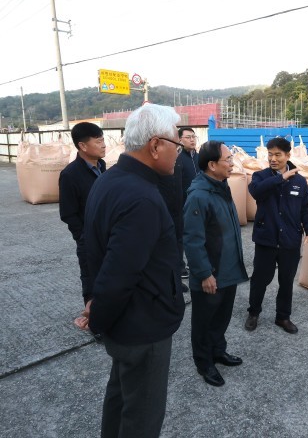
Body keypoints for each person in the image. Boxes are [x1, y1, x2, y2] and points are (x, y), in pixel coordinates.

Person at [82, 104, 185, 438]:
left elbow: (91, 249)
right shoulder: (142, 197)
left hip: (127, 322)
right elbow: (119, 275)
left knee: (120, 398)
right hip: (143, 326)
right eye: (176, 144)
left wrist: (94, 302)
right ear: (155, 146)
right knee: (142, 417)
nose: (179, 153)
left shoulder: (109, 179)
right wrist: (98, 318)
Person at [183, 140, 248, 387]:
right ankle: (204, 362)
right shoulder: (199, 196)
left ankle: (218, 351)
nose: (232, 163)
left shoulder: (221, 187)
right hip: (211, 274)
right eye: (228, 159)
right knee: (204, 321)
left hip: (228, 270)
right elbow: (192, 240)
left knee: (221, 317)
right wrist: (204, 274)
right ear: (212, 165)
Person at [244, 137, 308, 334]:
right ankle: (253, 313)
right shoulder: (260, 176)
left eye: (278, 155)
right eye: (270, 155)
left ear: (288, 155)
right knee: (260, 280)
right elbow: (256, 192)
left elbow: (306, 209)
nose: (273, 159)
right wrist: (281, 178)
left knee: (286, 281)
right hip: (266, 239)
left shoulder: (299, 181)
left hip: (290, 240)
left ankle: (283, 317)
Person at [59, 122, 106, 312]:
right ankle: (93, 318)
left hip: (108, 235)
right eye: (99, 141)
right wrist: (83, 236)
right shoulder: (70, 174)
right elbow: (68, 213)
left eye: (103, 140)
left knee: (109, 277)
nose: (104, 145)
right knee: (91, 281)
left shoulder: (102, 166)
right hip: (89, 240)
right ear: (83, 146)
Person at [157, 147, 189, 293]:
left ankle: (176, 278)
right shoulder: (159, 162)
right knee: (166, 246)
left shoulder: (178, 159)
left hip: (178, 208)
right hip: (164, 210)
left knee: (178, 242)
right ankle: (168, 282)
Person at [177, 127, 200, 279]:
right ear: (180, 140)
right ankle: (180, 266)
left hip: (199, 203)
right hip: (184, 203)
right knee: (182, 236)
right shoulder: (178, 160)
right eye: (188, 137)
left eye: (193, 136)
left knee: (197, 235)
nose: (192, 140)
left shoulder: (200, 158)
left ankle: (195, 263)